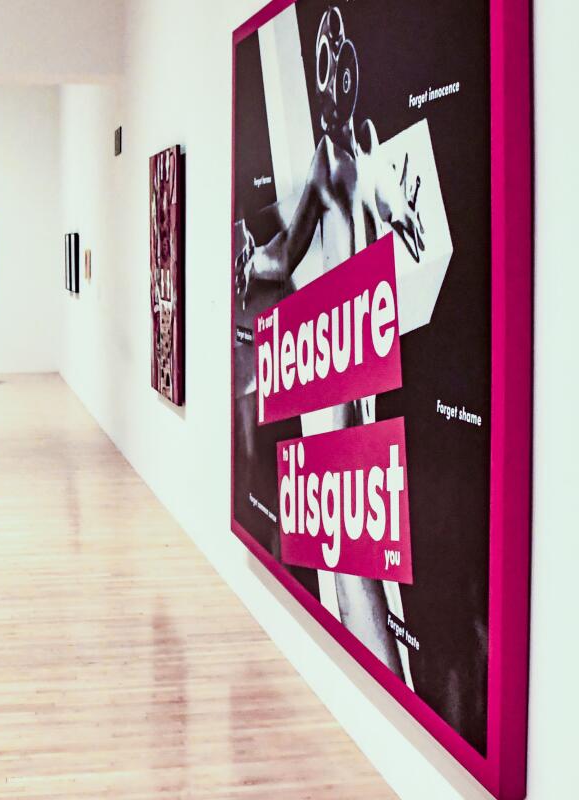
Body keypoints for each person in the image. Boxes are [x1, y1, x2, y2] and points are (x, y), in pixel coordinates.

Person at [233, 5, 425, 680]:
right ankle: (364, 661)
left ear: (352, 72)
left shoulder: (359, 152)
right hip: (336, 353)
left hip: (358, 347)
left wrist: (395, 206)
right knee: (347, 529)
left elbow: (376, 186)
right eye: (322, 63)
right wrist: (250, 261)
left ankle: (372, 664)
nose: (333, 75)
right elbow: (285, 258)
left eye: (340, 60)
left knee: (357, 520)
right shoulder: (323, 161)